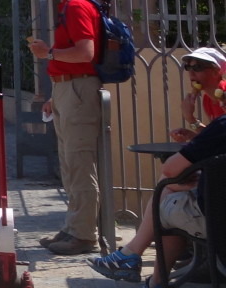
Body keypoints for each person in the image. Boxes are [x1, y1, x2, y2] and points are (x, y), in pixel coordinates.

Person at [89, 110, 226, 283]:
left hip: (216, 222)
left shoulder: (222, 126)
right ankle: (134, 259)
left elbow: (170, 168)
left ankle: (147, 273)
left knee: (164, 203)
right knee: (171, 191)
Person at [27, 0, 102, 256]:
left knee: (79, 163)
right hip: (68, 89)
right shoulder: (75, 4)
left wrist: (48, 54)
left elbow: (85, 52)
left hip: (77, 89)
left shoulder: (77, 7)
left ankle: (84, 234)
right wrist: (54, 96)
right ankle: (74, 228)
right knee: (71, 163)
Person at [173, 47, 226, 142]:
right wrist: (192, 135)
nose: (191, 73)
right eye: (188, 67)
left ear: (215, 72)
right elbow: (216, 136)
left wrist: (191, 118)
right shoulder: (208, 99)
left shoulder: (224, 94)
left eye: (197, 68)